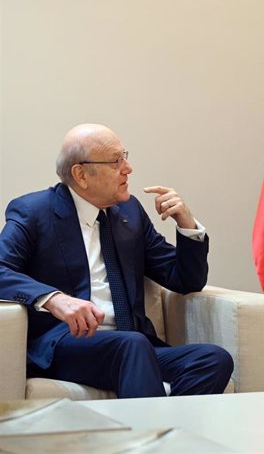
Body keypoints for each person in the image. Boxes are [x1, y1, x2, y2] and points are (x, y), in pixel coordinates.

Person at [0, 123, 233, 398]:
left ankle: (163, 431)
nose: (128, 168)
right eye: (116, 161)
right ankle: (153, 439)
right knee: (131, 345)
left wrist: (187, 225)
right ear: (81, 174)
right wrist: (55, 299)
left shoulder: (129, 211)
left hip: (135, 345)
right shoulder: (34, 211)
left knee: (214, 359)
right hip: (66, 343)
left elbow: (184, 280)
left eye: (125, 156)